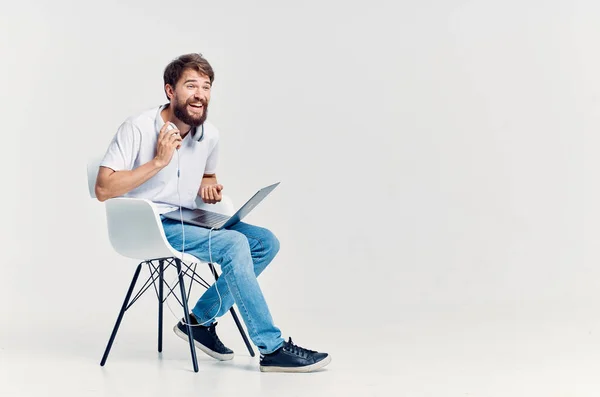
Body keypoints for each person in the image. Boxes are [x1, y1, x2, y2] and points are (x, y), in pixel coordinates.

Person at [95, 53, 331, 373]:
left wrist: (210, 186)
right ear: (170, 91)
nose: (200, 94)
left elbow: (207, 175)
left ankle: (198, 321)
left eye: (206, 87)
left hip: (191, 218)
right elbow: (103, 189)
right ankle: (271, 348)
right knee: (234, 245)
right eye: (191, 85)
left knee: (265, 242)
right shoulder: (137, 127)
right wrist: (158, 162)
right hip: (150, 224)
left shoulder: (210, 135)